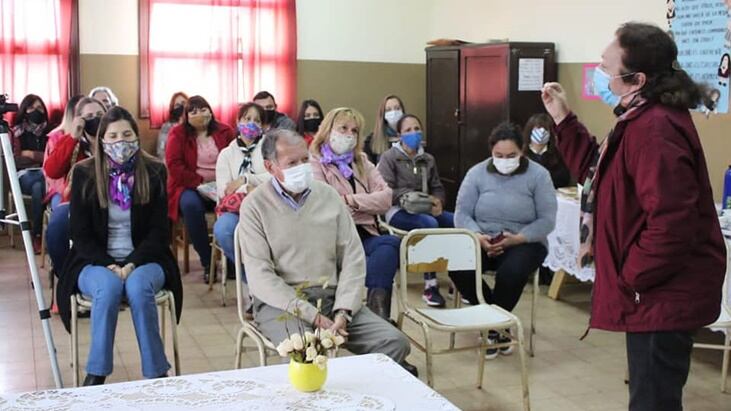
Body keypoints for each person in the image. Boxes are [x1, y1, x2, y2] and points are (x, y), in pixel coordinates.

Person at [540, 22, 725, 411]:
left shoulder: (655, 129)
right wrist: (563, 119)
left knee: (652, 401)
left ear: (637, 78)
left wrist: (632, 277)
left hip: (662, 293)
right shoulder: (638, 117)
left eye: (607, 69)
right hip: (654, 292)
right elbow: (597, 171)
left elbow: (674, 223)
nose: (602, 75)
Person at [238, 129, 416, 376]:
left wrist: (344, 310)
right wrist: (314, 317)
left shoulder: (329, 196)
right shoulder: (255, 206)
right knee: (308, 351)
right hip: (284, 305)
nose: (301, 168)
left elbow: (353, 259)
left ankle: (357, 399)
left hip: (332, 299)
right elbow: (260, 277)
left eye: (304, 160)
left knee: (394, 342)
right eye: (292, 163)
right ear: (270, 167)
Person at [56, 106, 183, 386]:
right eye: (112, 136)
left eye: (126, 134)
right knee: (108, 287)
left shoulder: (154, 171)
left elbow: (159, 231)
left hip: (147, 259)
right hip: (95, 261)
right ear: (101, 140)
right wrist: (109, 264)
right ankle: (96, 373)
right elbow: (81, 233)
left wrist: (133, 262)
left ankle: (156, 372)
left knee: (138, 287)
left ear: (136, 138)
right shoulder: (84, 174)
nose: (120, 141)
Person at [452, 122, 556, 359]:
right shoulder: (477, 173)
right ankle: (498, 322)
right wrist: (478, 236)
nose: (505, 160)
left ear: (522, 151)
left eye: (511, 155)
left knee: (512, 272)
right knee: (458, 266)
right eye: (499, 155)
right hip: (482, 237)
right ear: (491, 152)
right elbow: (462, 213)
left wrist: (517, 239)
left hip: (524, 240)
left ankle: (492, 326)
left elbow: (547, 220)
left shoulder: (539, 176)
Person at [310, 107, 400, 321]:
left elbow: (386, 198)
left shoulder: (361, 160)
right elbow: (326, 203)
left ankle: (378, 315)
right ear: (328, 129)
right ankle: (375, 318)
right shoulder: (314, 160)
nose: (349, 134)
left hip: (365, 233)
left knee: (390, 245)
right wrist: (368, 203)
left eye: (355, 130)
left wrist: (351, 201)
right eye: (343, 128)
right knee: (377, 261)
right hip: (335, 237)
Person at [378, 114, 452, 308]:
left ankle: (461, 279)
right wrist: (410, 198)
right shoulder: (389, 157)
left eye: (417, 128)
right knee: (430, 225)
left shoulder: (427, 159)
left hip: (426, 208)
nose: (414, 133)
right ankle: (430, 286)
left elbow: (437, 186)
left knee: (456, 221)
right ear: (399, 135)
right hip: (397, 211)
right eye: (408, 130)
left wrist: (438, 201)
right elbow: (386, 191)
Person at [166, 95, 234, 278]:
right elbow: (174, 165)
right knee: (190, 206)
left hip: (223, 185)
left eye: (203, 109)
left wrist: (223, 183)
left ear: (210, 111)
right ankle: (207, 262)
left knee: (235, 206)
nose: (199, 114)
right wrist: (199, 182)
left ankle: (232, 261)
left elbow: (236, 159)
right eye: (193, 111)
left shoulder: (225, 131)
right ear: (186, 116)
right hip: (190, 186)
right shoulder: (177, 134)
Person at [44, 97, 106, 273]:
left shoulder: (113, 141)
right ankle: (66, 277)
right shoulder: (74, 143)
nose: (95, 119)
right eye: (89, 116)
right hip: (78, 202)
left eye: (100, 114)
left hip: (111, 201)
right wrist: (73, 137)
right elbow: (52, 170)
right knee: (57, 226)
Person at [213, 102, 269, 278]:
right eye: (247, 118)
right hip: (236, 210)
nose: (252, 123)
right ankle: (249, 278)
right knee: (223, 230)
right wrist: (248, 189)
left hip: (267, 206)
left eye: (257, 120)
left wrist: (245, 179)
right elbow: (225, 190)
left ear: (263, 125)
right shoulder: (227, 154)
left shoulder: (270, 148)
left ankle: (268, 277)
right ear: (238, 121)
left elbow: (277, 178)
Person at [11, 94, 50, 253]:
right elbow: (16, 160)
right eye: (31, 108)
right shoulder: (16, 132)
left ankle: (36, 235)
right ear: (24, 110)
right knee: (36, 184)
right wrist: (40, 157)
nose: (36, 111)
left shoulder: (50, 131)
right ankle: (38, 235)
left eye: (39, 108)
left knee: (38, 186)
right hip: (23, 176)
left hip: (45, 175)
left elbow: (51, 159)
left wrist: (30, 154)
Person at [522, 113, 571, 189]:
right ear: (530, 131)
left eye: (545, 130)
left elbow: (564, 178)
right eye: (538, 128)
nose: (542, 132)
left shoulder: (557, 154)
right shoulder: (521, 153)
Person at [364, 95, 405, 164]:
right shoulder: (372, 139)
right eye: (388, 110)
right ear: (383, 115)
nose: (393, 112)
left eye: (397, 108)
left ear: (403, 111)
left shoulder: (410, 134)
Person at [157, 92, 188, 158]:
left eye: (183, 103)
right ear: (173, 108)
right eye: (177, 105)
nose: (181, 107)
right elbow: (161, 151)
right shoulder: (167, 127)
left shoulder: (194, 125)